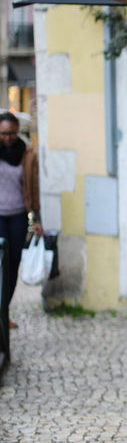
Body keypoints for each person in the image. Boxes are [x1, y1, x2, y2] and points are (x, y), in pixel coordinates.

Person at [0, 109, 43, 324]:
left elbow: (33, 188)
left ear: (18, 132)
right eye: (4, 134)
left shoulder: (26, 155)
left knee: (12, 264)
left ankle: (3, 312)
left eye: (12, 133)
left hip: (17, 216)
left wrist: (37, 219)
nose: (8, 138)